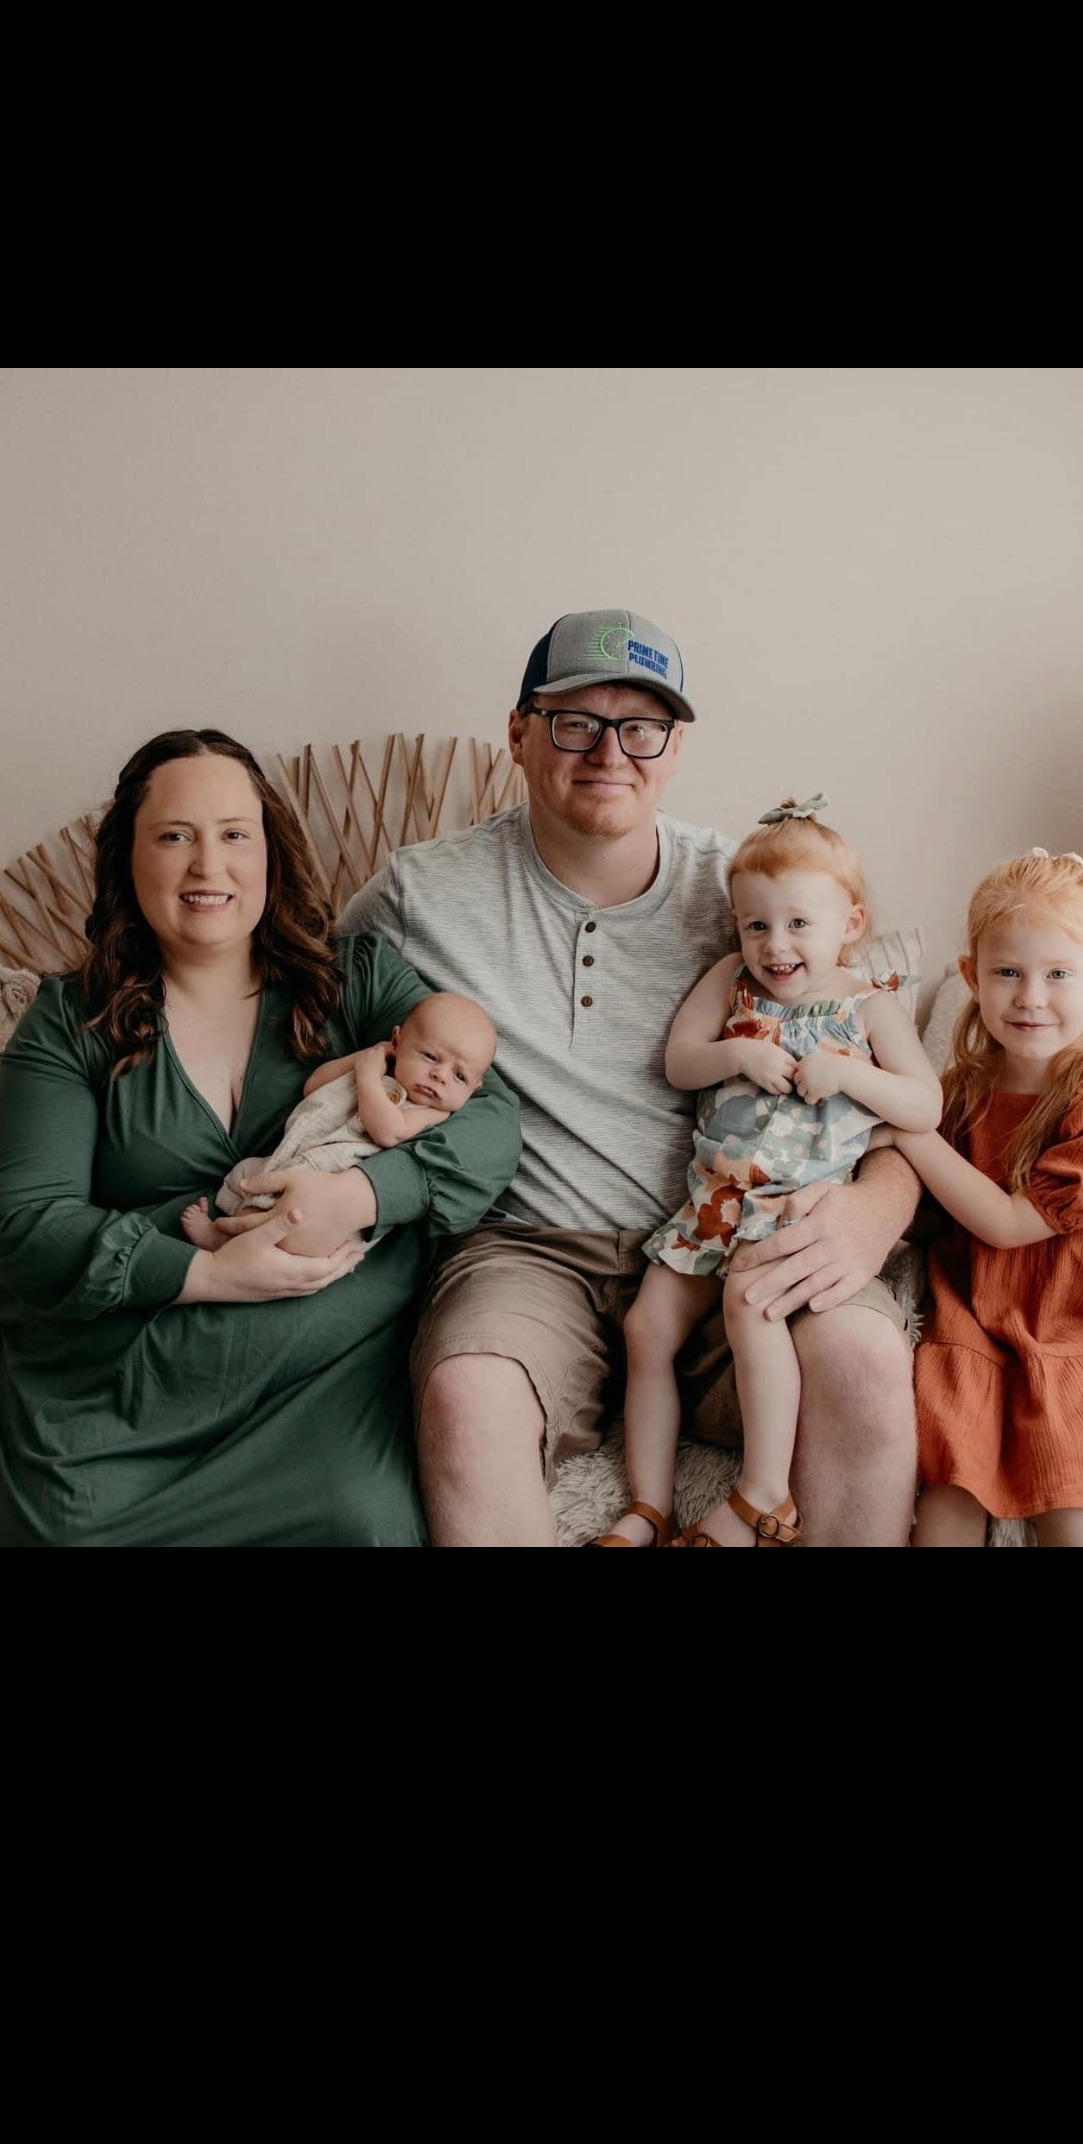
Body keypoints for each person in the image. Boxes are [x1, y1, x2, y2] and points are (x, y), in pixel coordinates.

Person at [338, 607, 923, 1546]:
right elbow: (305, 1010)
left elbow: (874, 1057)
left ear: (675, 747)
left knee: (862, 1355)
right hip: (529, 1250)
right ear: (520, 734)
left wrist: (875, 1208)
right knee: (465, 1393)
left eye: (640, 726)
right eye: (576, 721)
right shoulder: (422, 893)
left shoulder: (751, 899)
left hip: (745, 1233)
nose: (609, 751)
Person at [0, 730, 520, 1547]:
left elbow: (491, 1123)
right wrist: (207, 1271)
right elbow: (26, 1228)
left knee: (367, 1525)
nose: (209, 867)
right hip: (122, 1396)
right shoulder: (69, 1022)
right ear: (127, 857)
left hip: (316, 1387)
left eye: (234, 835)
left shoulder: (359, 980)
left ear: (270, 852)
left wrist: (356, 1195)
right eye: (175, 836)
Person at [598, 794, 942, 1546]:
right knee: (645, 1327)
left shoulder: (868, 1006)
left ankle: (762, 1496)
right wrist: (736, 1053)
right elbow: (679, 1061)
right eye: (756, 924)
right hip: (711, 1207)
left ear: (849, 924)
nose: (774, 944)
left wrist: (847, 1076)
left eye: (797, 924)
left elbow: (924, 1105)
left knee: (752, 1316)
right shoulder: (730, 981)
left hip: (792, 1217)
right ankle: (647, 1507)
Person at [890, 849, 1083, 1548]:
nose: (1030, 997)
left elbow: (1011, 1224)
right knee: (949, 1478)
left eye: (1057, 975)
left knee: (1068, 1483)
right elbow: (933, 1211)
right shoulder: (959, 1089)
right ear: (971, 979)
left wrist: (907, 1129)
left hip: (1079, 1316)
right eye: (1007, 973)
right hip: (973, 1303)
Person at [180, 990, 498, 1253]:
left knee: (273, 1210)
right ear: (398, 1042)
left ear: (474, 1088)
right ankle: (237, 1233)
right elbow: (314, 1086)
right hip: (294, 1154)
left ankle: (225, 1243)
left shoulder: (431, 1110)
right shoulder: (374, 1067)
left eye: (459, 1076)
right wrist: (360, 1062)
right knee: (245, 1175)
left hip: (330, 1178)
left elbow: (387, 1131)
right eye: (430, 1056)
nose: (440, 1076)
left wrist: (367, 1076)